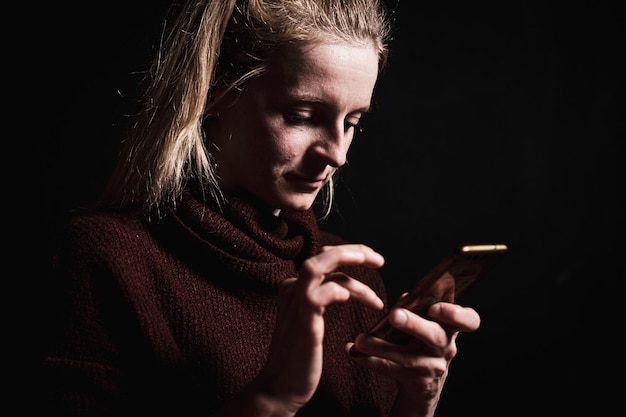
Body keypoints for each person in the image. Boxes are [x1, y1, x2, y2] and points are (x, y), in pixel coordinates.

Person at [41, 0, 481, 416]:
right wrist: (272, 398)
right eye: (303, 115)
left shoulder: (354, 283)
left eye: (351, 124)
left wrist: (416, 402)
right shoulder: (105, 258)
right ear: (214, 91)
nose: (338, 154)